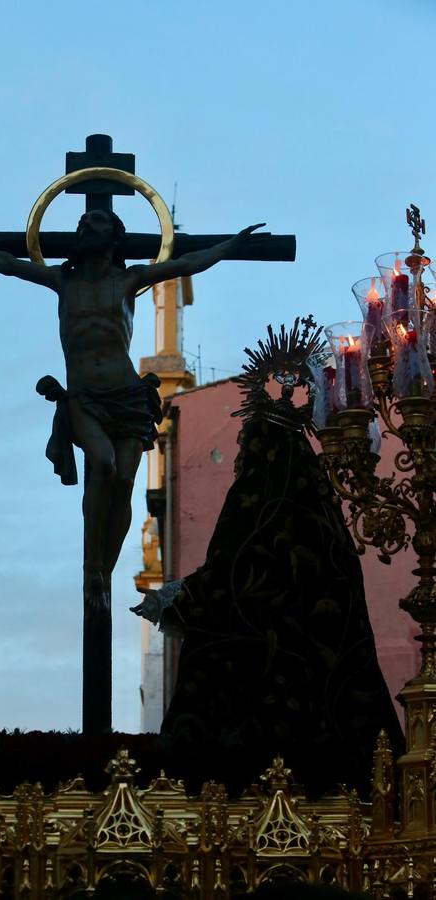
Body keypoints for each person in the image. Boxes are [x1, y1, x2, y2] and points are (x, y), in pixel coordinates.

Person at [0, 213, 269, 605]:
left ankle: (103, 574)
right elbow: (7, 265)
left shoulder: (128, 280)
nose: (85, 227)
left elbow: (188, 263)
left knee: (124, 479)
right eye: (82, 224)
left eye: (95, 223)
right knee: (103, 462)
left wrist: (232, 245)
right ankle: (91, 569)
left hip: (126, 393)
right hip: (84, 396)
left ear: (114, 238)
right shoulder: (63, 280)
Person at [132, 328, 404, 792]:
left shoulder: (263, 501)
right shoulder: (318, 515)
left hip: (256, 712)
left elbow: (236, 573)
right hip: (321, 711)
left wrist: (181, 597)